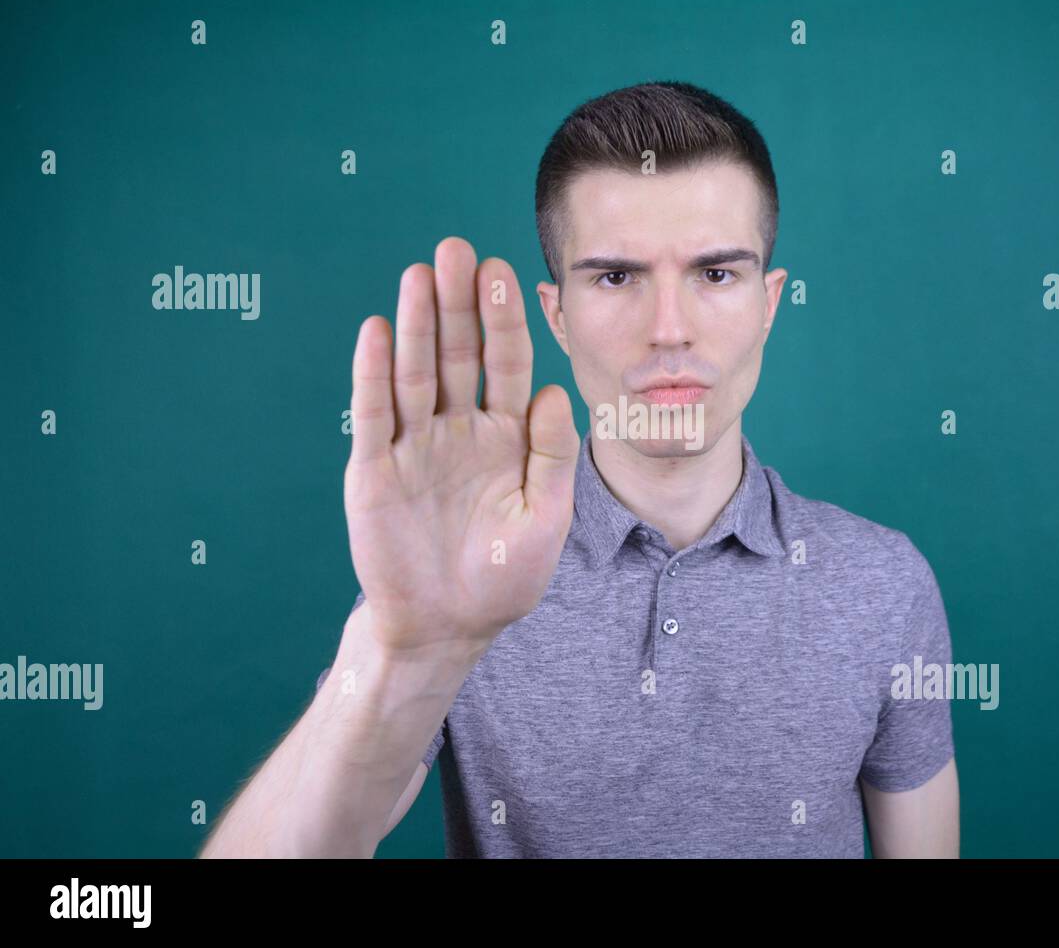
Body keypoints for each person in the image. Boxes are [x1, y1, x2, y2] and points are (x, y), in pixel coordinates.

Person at [200, 80, 959, 858]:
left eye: (716, 274)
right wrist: (405, 654)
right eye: (616, 277)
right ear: (556, 313)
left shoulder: (884, 584)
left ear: (770, 303)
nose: (669, 329)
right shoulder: (466, 571)